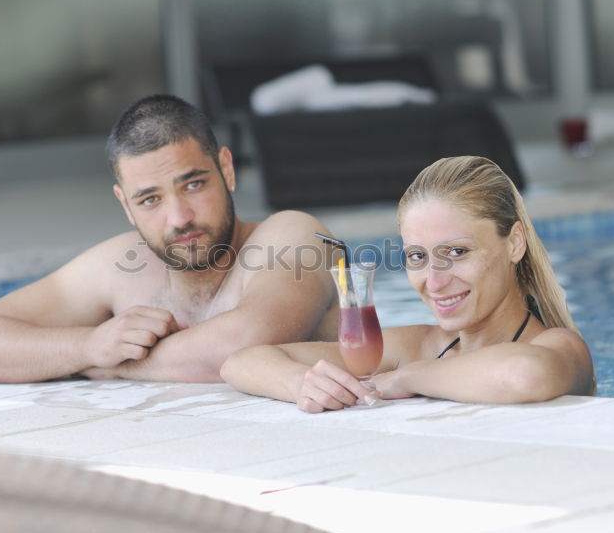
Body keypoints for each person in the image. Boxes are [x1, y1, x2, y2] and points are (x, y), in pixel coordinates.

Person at [0, 94, 338, 384]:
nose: (179, 218)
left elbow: (245, 343)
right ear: (126, 207)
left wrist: (110, 365)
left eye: (195, 184)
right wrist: (88, 346)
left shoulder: (295, 234)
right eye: (150, 200)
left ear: (226, 170)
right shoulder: (121, 265)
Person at [221, 155, 595, 412]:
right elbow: (241, 362)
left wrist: (409, 376)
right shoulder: (420, 344)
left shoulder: (560, 347)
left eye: (457, 252)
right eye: (418, 257)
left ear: (514, 243)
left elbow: (522, 375)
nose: (434, 281)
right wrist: (301, 383)